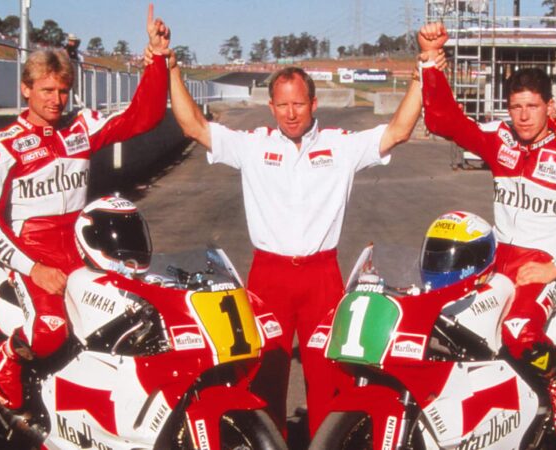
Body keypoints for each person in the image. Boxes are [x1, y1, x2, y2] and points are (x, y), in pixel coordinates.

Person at [144, 48, 446, 437]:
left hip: (322, 276)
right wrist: (171, 68)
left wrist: (421, 73)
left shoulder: (340, 145)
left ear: (313, 103)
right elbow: (194, 127)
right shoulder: (253, 145)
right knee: (263, 380)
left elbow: (398, 130)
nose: (290, 113)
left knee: (331, 380)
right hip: (268, 277)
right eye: (282, 104)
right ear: (271, 106)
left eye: (298, 104)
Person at [418, 22, 556, 440]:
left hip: (543, 265)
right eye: (515, 107)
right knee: (441, 319)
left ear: (550, 106)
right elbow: (442, 120)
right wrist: (429, 59)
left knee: (516, 331)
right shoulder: (501, 139)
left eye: (532, 106)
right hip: (496, 260)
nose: (523, 116)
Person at [0, 4, 171, 411]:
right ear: (26, 89)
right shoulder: (1, 145)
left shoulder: (81, 126)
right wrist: (34, 269)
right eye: (47, 90)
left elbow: (142, 117)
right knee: (50, 331)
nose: (57, 100)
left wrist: (159, 60)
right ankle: (5, 357)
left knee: (133, 313)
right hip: (32, 249)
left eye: (63, 90)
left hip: (81, 243)